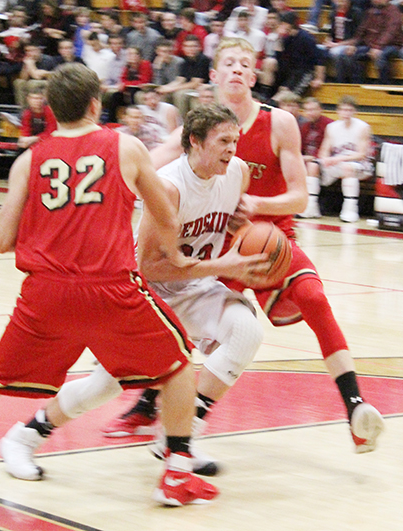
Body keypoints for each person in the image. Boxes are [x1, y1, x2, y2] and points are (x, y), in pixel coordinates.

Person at [0, 62, 218, 507]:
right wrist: (174, 253)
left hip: (46, 293)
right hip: (109, 289)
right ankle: (176, 473)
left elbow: (1, 240)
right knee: (176, 368)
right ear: (96, 103)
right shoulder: (126, 147)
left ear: (51, 109)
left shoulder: (28, 159)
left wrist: (51, 227)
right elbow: (165, 213)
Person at [108, 38, 385, 455]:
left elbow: (299, 198)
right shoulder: (197, 131)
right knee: (196, 324)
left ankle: (355, 409)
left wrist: (257, 204)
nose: (237, 69)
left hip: (271, 238)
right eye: (229, 63)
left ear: (254, 77)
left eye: (245, 63)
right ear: (214, 76)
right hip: (221, 247)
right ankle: (155, 405)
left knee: (313, 296)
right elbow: (146, 162)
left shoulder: (279, 123)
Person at [0, 102, 268, 479]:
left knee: (247, 332)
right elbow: (148, 265)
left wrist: (241, 225)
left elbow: (225, 219)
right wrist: (223, 267)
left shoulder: (237, 172)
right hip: (152, 293)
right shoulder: (170, 186)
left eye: (235, 141)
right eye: (223, 141)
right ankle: (23, 437)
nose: (232, 149)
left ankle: (180, 438)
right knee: (103, 387)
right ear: (195, 141)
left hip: (197, 284)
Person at [301, 95, 373, 222]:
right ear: (338, 111)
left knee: (347, 167)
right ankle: (311, 207)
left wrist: (338, 159)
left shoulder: (363, 127)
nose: (346, 113)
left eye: (349, 110)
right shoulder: (332, 127)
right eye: (343, 110)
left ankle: (350, 210)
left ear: (354, 111)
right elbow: (324, 150)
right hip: (338, 162)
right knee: (313, 165)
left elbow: (361, 154)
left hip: (359, 164)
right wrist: (325, 159)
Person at [336, 0, 403, 84]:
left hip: (392, 45)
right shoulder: (370, 12)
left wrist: (378, 47)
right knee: (348, 55)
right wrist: (353, 45)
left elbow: (390, 32)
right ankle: (358, 84)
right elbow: (361, 30)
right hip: (371, 45)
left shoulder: (394, 12)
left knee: (381, 56)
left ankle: (385, 86)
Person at [298, 97, 333, 212]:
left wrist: (312, 157)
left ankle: (310, 206)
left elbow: (329, 149)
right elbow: (300, 147)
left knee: (312, 165)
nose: (310, 113)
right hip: (307, 159)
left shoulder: (329, 125)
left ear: (320, 109)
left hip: (324, 160)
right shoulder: (305, 126)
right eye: (307, 110)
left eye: (313, 109)